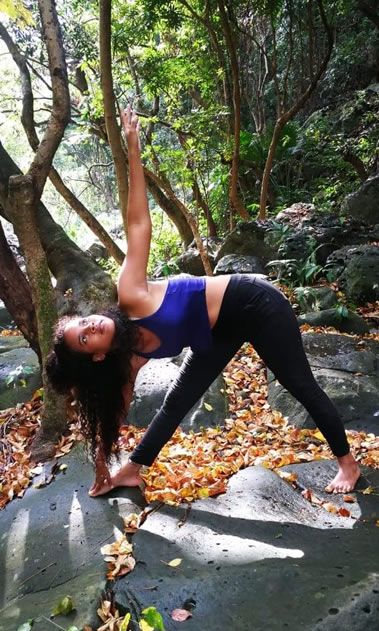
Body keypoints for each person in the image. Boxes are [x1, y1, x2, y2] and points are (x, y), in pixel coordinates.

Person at [46, 106, 360, 496]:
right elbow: (114, 414)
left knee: (299, 385)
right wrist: (101, 467)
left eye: (85, 322)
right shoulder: (127, 360)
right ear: (96, 357)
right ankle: (131, 470)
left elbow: (138, 224)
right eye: (85, 338)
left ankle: (349, 464)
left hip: (255, 303)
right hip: (216, 332)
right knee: (178, 401)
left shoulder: (131, 294)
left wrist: (133, 147)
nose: (91, 326)